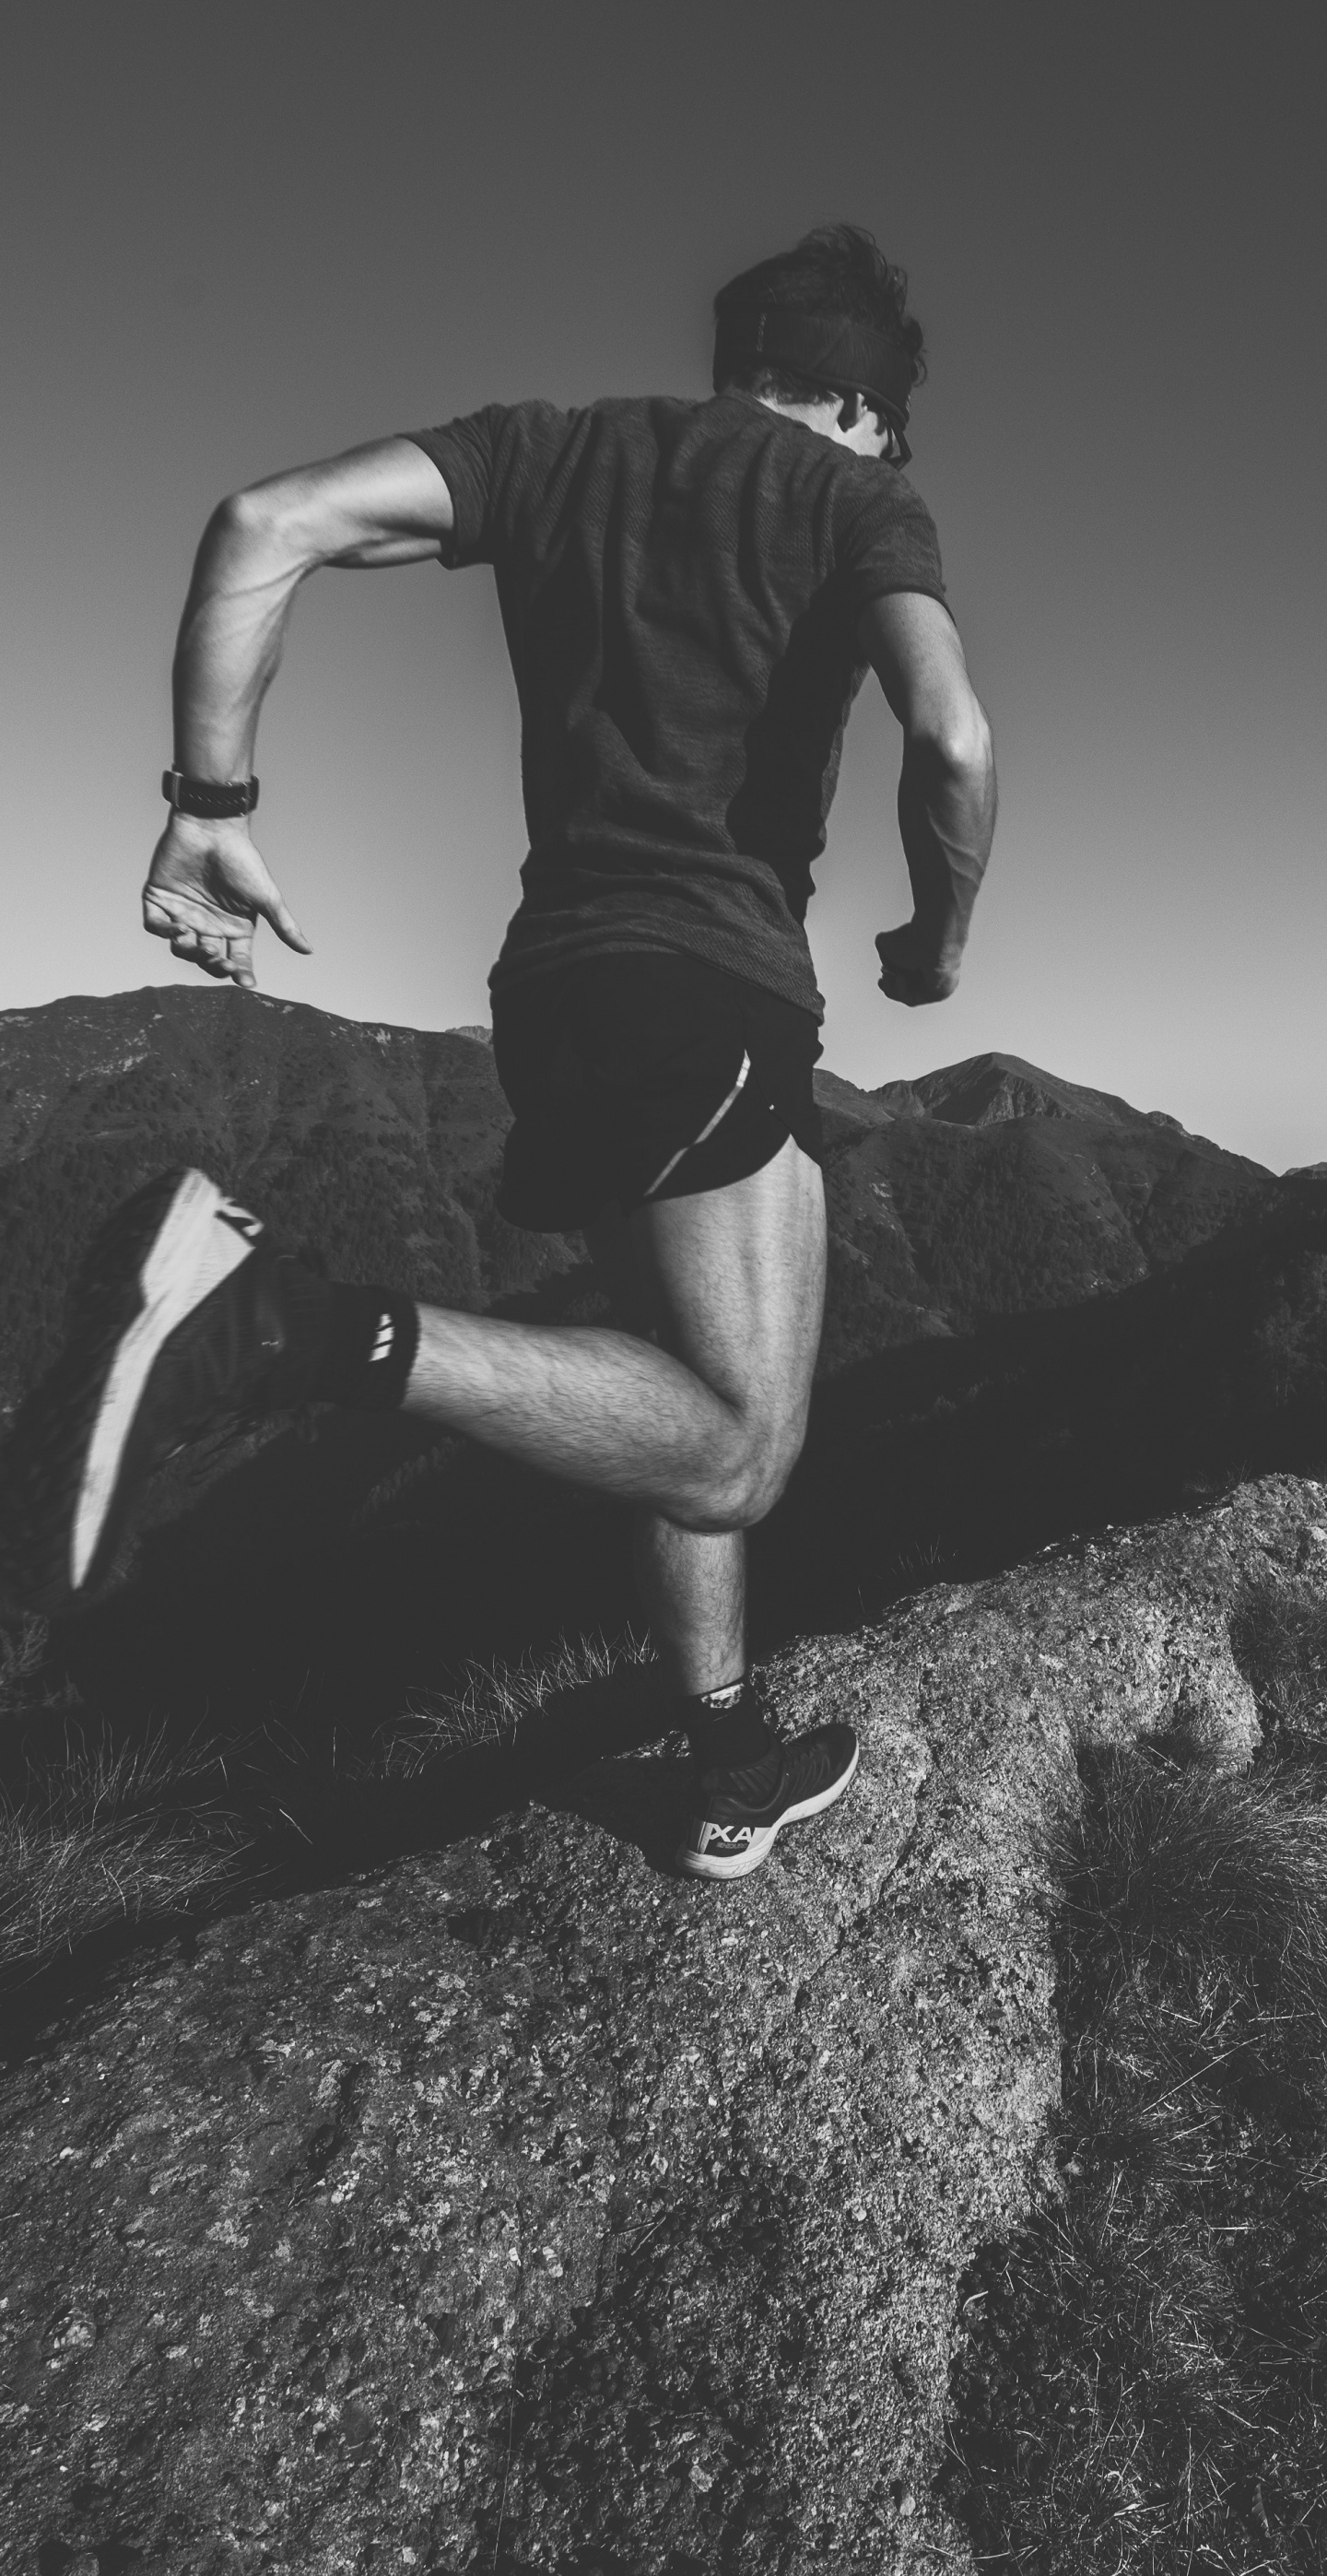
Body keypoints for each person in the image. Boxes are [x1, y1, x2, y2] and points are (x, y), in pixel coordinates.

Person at [2, 226, 995, 1881]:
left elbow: (267, 523)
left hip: (554, 990)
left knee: (670, 1399)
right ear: (861, 406)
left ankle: (726, 1755)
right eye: (894, 428)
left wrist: (209, 807)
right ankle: (286, 1325)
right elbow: (951, 737)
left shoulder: (556, 453)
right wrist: (937, 943)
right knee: (743, 1444)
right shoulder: (855, 502)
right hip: (713, 986)